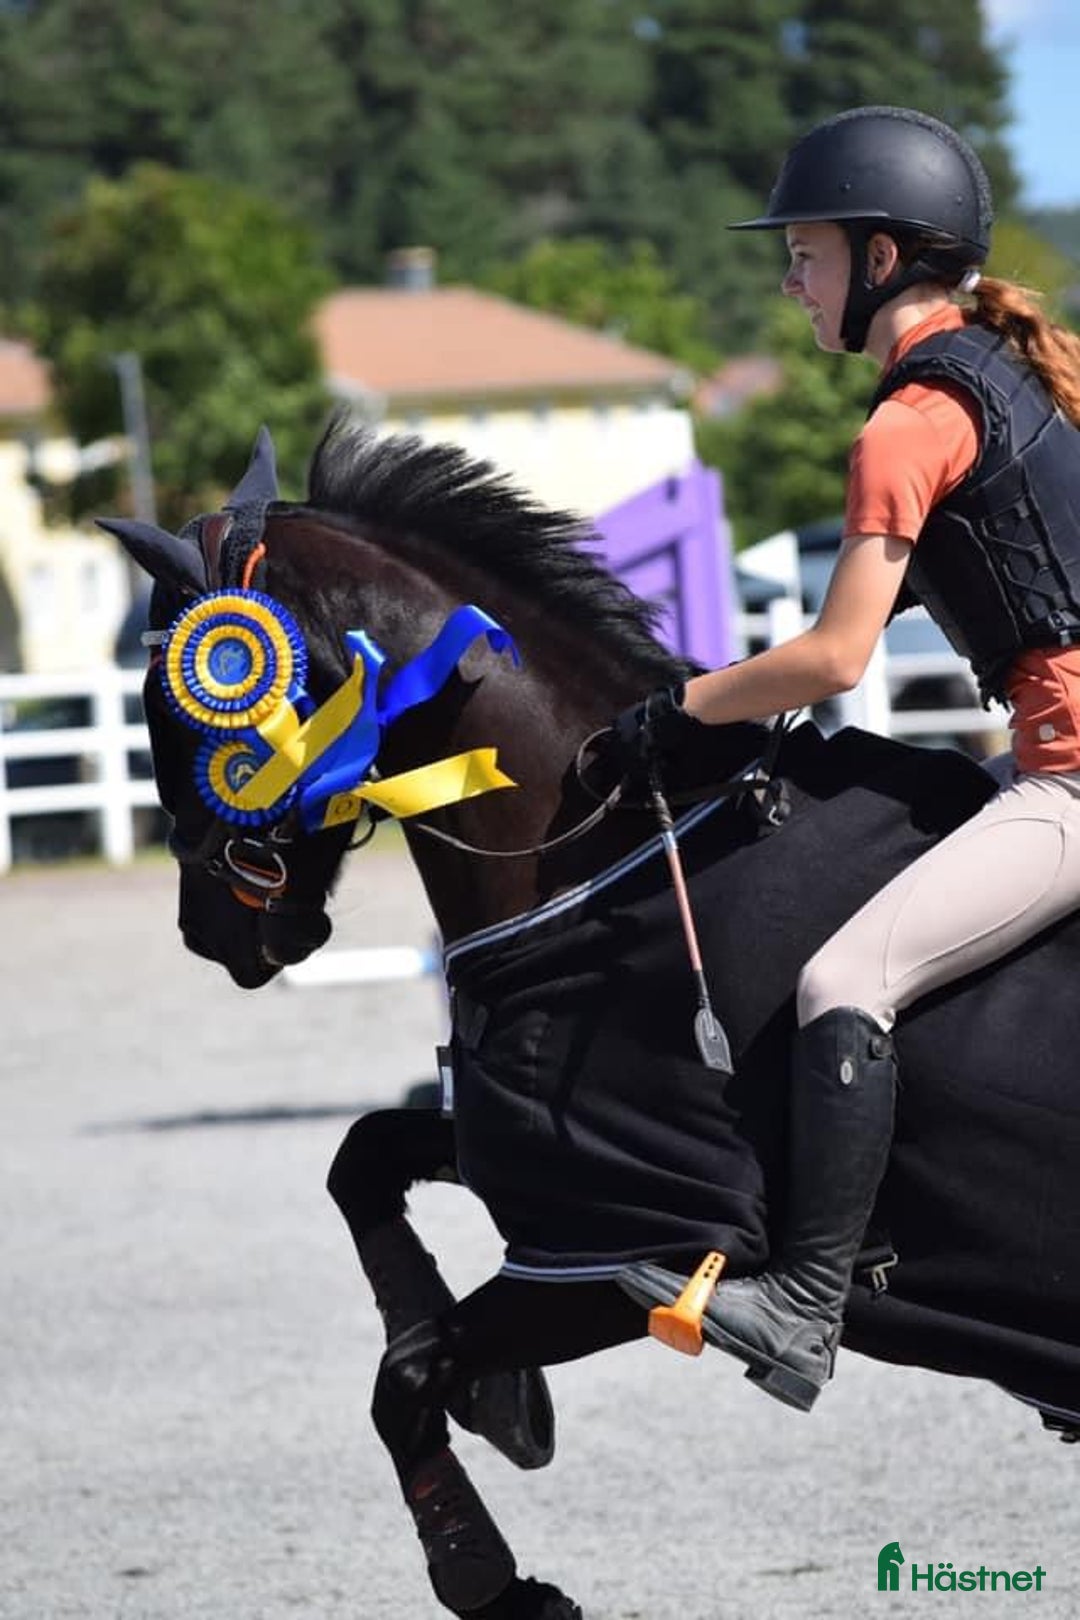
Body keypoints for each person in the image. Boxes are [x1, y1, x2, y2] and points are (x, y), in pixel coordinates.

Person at [614, 104, 1080, 1413]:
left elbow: (831, 660)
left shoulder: (910, 422)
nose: (789, 278)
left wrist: (683, 708)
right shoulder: (1020, 375)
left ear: (882, 259)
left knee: (846, 980)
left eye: (806, 253)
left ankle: (806, 1304)